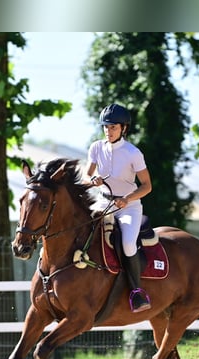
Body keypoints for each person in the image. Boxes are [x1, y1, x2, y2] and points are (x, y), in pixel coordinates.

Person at [85, 103, 153, 313]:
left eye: (113, 127)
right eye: (106, 127)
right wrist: (92, 180)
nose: (108, 131)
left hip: (128, 207)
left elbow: (147, 186)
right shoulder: (96, 147)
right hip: (103, 202)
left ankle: (137, 292)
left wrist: (127, 198)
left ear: (124, 128)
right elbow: (86, 175)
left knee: (128, 244)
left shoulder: (133, 153)